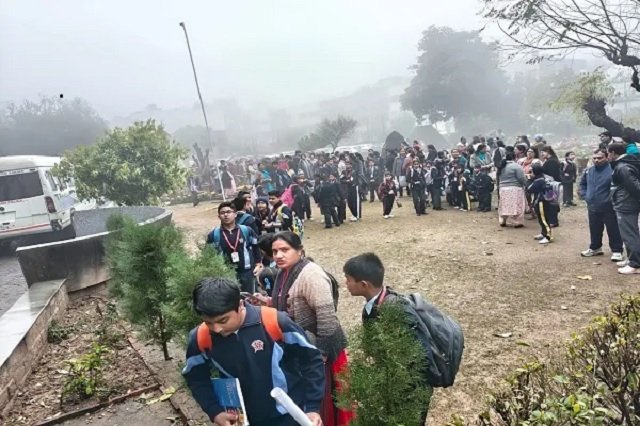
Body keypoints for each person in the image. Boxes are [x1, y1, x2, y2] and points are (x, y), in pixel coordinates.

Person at [183, 277, 325, 426]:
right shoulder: (201, 337)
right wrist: (215, 411)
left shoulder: (274, 322)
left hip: (290, 415)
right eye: (209, 322)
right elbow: (196, 378)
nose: (216, 329)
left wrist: (312, 407)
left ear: (240, 305)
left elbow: (311, 361)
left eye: (223, 320)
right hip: (242, 419)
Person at [254, 232, 350, 426]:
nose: (279, 255)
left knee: (322, 406)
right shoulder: (284, 272)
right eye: (275, 251)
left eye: (285, 250)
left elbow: (327, 321)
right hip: (302, 348)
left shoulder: (311, 275)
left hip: (321, 351)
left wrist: (319, 357)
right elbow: (288, 303)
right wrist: (268, 302)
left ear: (300, 251)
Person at [342, 253, 431, 425]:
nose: (345, 283)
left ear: (363, 284)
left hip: (409, 390)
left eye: (348, 279)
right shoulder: (373, 306)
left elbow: (416, 356)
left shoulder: (396, 311)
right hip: (392, 383)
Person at [578, 149, 624, 262]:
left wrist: (611, 200)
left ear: (606, 157)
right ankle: (595, 248)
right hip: (592, 206)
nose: (596, 160)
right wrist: (585, 195)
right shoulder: (589, 171)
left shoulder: (613, 170)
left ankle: (617, 251)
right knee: (594, 228)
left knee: (613, 229)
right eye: (594, 158)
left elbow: (619, 187)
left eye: (600, 158)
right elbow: (582, 184)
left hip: (609, 207)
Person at [206, 202, 262, 293]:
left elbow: (256, 247)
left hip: (247, 271)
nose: (226, 215)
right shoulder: (214, 234)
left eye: (229, 212)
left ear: (235, 214)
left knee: (250, 297)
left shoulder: (246, 230)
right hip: (226, 273)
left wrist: (258, 264)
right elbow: (208, 254)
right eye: (222, 213)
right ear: (219, 216)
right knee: (230, 298)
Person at [607, 142, 640, 274]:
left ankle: (635, 264)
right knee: (627, 234)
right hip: (624, 203)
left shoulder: (623, 167)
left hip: (626, 205)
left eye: (608, 153)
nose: (608, 156)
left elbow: (635, 187)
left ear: (613, 153)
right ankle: (631, 258)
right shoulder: (624, 164)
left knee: (630, 234)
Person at [498, 151, 527, 228]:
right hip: (515, 188)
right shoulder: (517, 166)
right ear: (515, 157)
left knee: (504, 205)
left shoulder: (501, 166)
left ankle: (502, 220)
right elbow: (521, 178)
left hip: (503, 188)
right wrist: (526, 184)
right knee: (517, 205)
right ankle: (517, 222)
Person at [527, 164, 553, 244]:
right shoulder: (544, 178)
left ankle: (548, 236)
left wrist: (529, 180)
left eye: (532, 172)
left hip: (542, 202)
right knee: (541, 218)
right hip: (543, 201)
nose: (531, 173)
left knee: (544, 219)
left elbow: (529, 189)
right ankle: (543, 233)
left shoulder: (539, 181)